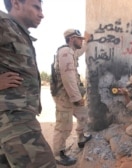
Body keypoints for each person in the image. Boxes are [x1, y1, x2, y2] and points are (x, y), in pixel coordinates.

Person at [0, 0, 57, 167]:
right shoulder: (4, 24)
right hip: (14, 119)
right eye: (36, 7)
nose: (41, 14)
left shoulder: (17, 31)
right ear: (16, 3)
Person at [51, 29, 92, 166]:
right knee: (64, 125)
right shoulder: (65, 52)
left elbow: (79, 52)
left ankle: (81, 138)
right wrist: (76, 97)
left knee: (83, 115)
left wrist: (86, 41)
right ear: (71, 39)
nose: (81, 40)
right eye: (79, 39)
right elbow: (68, 77)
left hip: (71, 95)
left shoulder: (71, 52)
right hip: (65, 96)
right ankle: (58, 154)